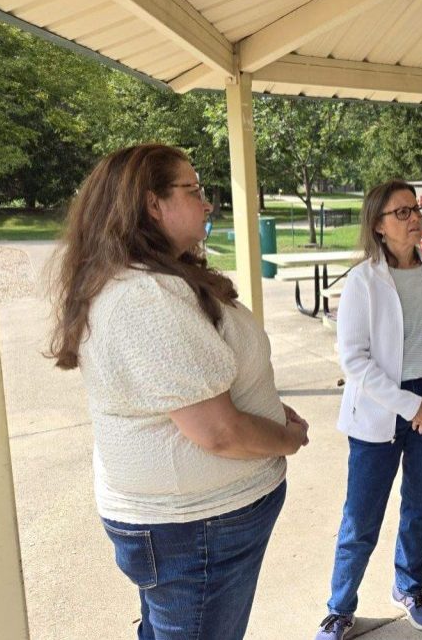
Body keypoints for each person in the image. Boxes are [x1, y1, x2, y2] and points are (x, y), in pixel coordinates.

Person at [48, 144, 309, 640]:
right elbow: (218, 431)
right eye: (192, 191)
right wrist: (287, 438)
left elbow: (195, 391)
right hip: (197, 532)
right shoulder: (144, 297)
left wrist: (267, 409)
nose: (207, 203)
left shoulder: (152, 279)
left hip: (194, 528)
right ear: (152, 204)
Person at [315, 180, 422, 640]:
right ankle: (340, 608)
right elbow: (355, 360)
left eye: (416, 209)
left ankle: (409, 588)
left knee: (420, 506)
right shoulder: (363, 281)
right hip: (382, 408)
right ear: (378, 226)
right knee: (361, 517)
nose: (414, 218)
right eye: (401, 212)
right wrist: (411, 406)